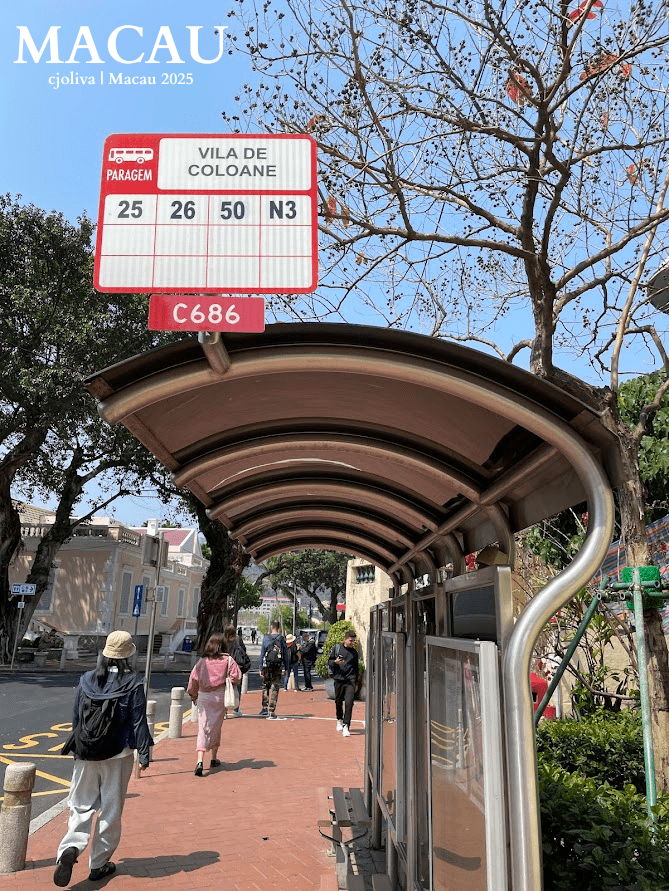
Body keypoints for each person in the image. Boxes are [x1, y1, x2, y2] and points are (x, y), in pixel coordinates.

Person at [53, 630, 152, 887]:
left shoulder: (87, 679)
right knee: (110, 809)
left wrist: (78, 750)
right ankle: (98, 864)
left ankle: (71, 847)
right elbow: (138, 720)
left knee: (81, 804)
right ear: (128, 655)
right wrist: (144, 753)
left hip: (86, 753)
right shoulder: (133, 682)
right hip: (118, 755)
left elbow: (77, 718)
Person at [187, 632, 242, 776]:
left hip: (204, 696)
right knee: (216, 727)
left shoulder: (202, 661)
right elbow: (236, 676)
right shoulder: (227, 660)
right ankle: (214, 757)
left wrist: (193, 695)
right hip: (219, 697)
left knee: (203, 727)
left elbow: (193, 680)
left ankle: (200, 759)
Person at [328, 629, 360, 738]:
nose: (352, 643)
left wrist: (356, 682)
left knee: (349, 703)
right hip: (338, 680)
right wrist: (335, 663)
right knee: (338, 701)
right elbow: (329, 661)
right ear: (345, 640)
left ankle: (347, 725)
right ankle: (339, 719)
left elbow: (356, 668)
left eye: (354, 641)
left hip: (350, 681)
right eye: (351, 640)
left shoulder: (354, 653)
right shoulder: (337, 648)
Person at [258, 620, 289, 718]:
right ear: (279, 627)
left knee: (265, 686)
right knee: (275, 687)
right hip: (277, 666)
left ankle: (264, 707)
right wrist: (286, 668)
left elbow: (262, 654)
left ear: (271, 627)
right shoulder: (281, 639)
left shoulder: (266, 638)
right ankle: (271, 710)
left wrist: (260, 668)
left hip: (267, 665)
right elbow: (285, 655)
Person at [224, 624, 251, 716]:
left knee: (224, 688)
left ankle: (224, 711)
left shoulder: (223, 641)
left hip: (225, 667)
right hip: (237, 667)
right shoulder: (238, 639)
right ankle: (236, 709)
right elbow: (244, 650)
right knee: (237, 688)